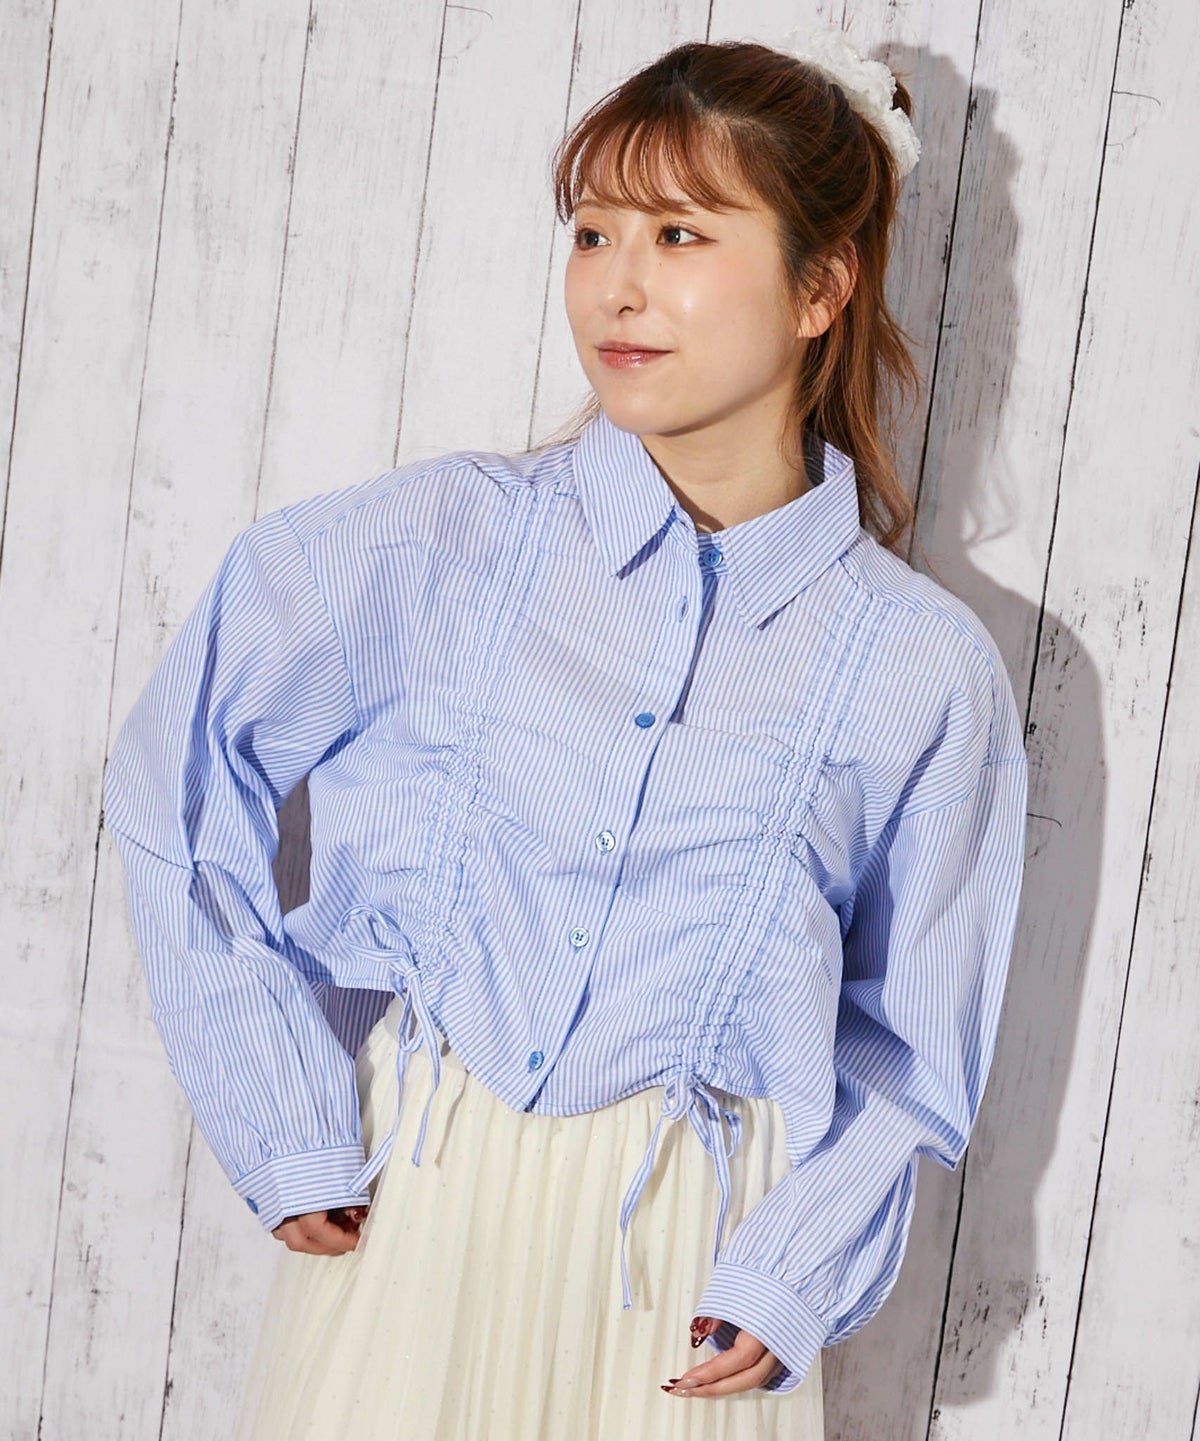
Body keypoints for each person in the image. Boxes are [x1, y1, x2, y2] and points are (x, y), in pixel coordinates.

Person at [103, 22, 1028, 1441]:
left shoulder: (920, 668)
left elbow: (909, 1043)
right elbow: (176, 772)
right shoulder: (436, 546)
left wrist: (794, 1273)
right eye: (593, 232)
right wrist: (282, 1112)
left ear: (820, 286)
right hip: (415, 1223)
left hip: (689, 1284)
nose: (618, 285)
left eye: (679, 231)